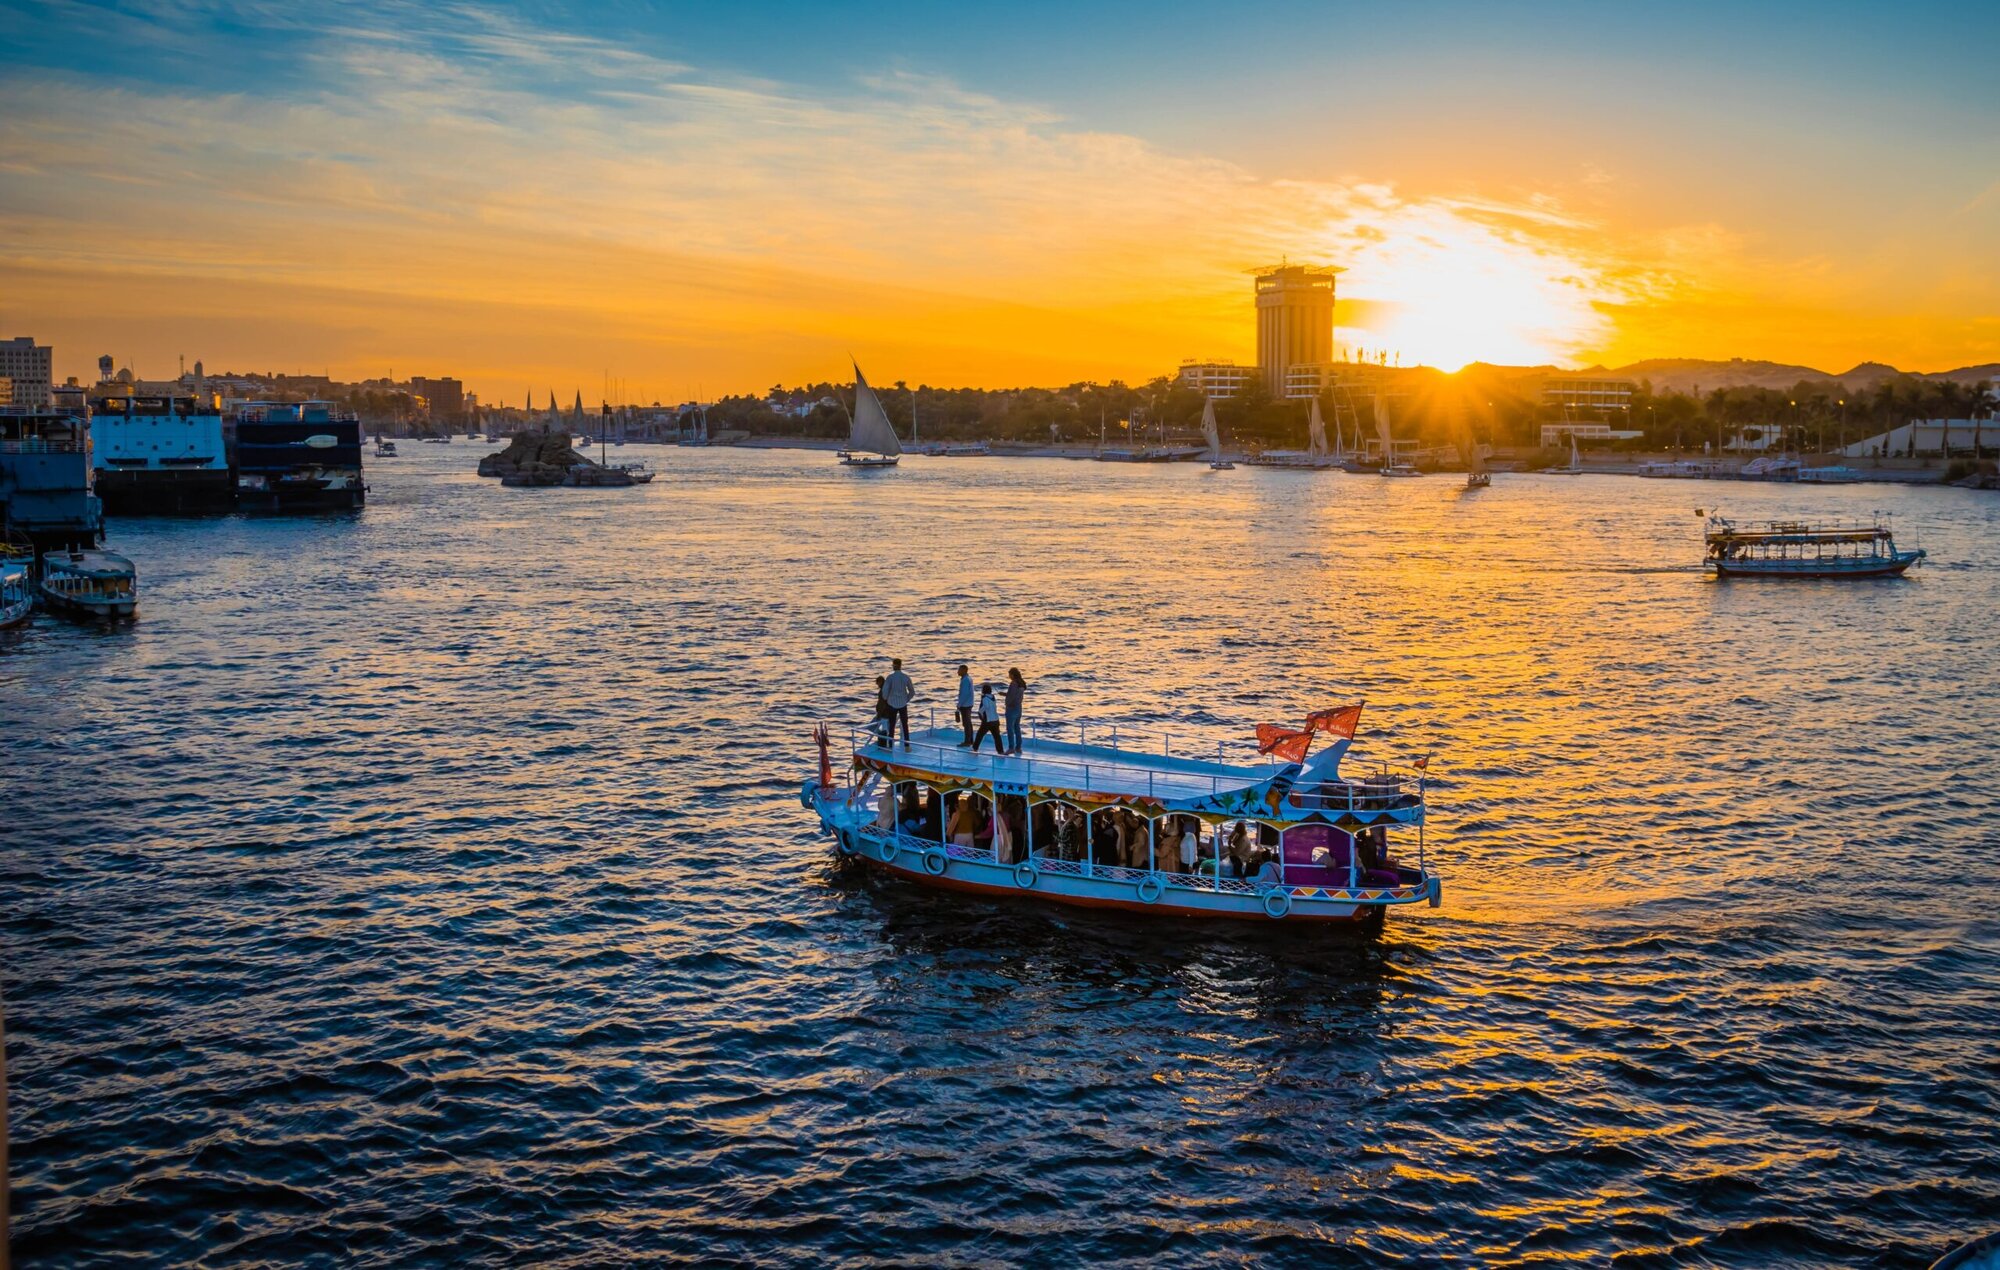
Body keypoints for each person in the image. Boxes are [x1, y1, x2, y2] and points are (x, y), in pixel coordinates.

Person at [882, 657, 914, 747]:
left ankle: (891, 745)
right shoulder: (905, 677)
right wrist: (906, 699)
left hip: (892, 704)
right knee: (905, 725)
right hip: (903, 704)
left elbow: (885, 691)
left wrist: (886, 699)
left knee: (891, 726)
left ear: (894, 666)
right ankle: (907, 746)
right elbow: (912, 692)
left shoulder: (890, 677)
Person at [971, 682, 1005, 753]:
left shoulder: (984, 698)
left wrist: (980, 712)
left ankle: (975, 748)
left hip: (988, 721)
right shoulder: (993, 697)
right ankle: (1000, 751)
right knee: (997, 737)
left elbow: (985, 707)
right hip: (995, 719)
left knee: (980, 735)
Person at [1004, 667, 1028, 755]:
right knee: (1017, 727)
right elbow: (1015, 695)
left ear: (1013, 675)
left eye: (1009, 674)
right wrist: (1005, 694)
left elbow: (1012, 697)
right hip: (1019, 708)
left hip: (1012, 708)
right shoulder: (1021, 683)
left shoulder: (1013, 683)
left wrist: (1007, 703)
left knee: (1010, 728)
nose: (1009, 676)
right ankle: (1018, 747)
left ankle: (1011, 748)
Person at [954, 664, 975, 747]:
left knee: (966, 724)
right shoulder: (967, 679)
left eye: (959, 670)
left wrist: (959, 705)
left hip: (965, 705)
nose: (958, 671)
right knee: (968, 723)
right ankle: (970, 740)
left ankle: (967, 741)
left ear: (964, 670)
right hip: (968, 703)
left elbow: (964, 694)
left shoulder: (965, 680)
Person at [870, 675, 892, 743]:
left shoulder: (883, 690)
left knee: (871, 727)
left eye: (878, 683)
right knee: (886, 729)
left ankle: (882, 738)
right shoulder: (887, 688)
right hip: (889, 713)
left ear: (881, 682)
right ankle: (883, 738)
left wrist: (879, 714)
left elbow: (882, 704)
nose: (877, 685)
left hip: (884, 714)